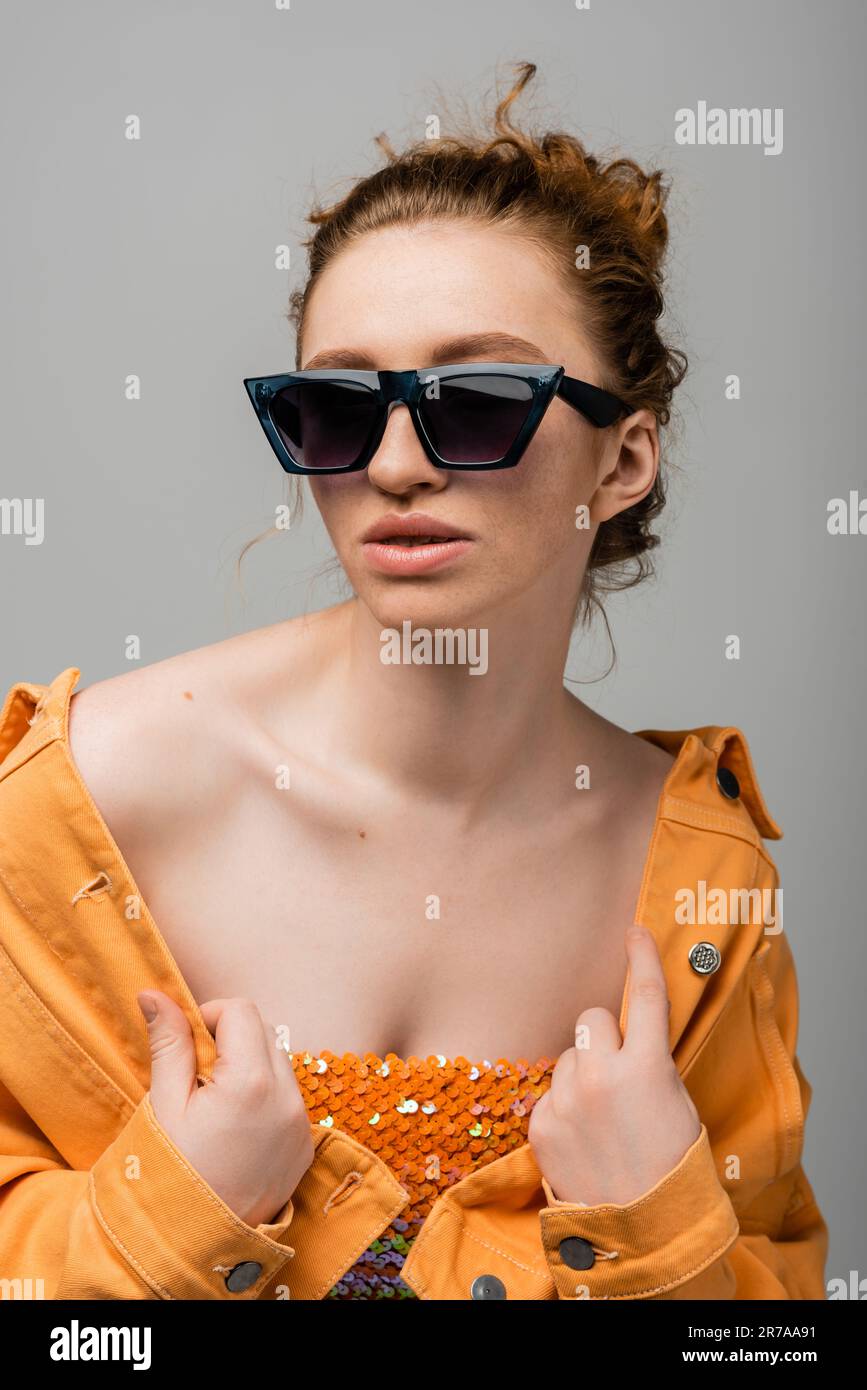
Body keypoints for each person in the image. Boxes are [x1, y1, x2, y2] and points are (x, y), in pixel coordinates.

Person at [0, 61, 828, 1300]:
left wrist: (662, 1234)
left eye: (477, 400)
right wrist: (167, 1223)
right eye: (337, 408)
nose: (393, 464)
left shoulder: (701, 890)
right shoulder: (80, 808)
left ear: (625, 458)